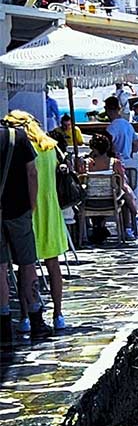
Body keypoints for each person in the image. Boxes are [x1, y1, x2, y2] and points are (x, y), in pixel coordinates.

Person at [3, 112, 67, 331]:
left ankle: (25, 317)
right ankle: (58, 315)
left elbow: (29, 177)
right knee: (53, 265)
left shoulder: (19, 145)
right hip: (50, 209)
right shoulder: (50, 146)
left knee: (23, 266)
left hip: (28, 208)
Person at [0, 122, 49, 339]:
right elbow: (32, 173)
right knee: (28, 264)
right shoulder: (17, 137)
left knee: (0, 268)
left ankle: (4, 326)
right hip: (19, 210)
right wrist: (32, 205)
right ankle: (36, 317)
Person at [105, 96, 138, 201]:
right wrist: (130, 155)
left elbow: (108, 143)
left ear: (107, 109)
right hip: (129, 163)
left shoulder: (112, 127)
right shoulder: (127, 124)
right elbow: (136, 143)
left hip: (117, 166)